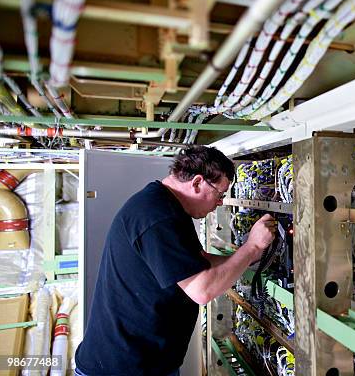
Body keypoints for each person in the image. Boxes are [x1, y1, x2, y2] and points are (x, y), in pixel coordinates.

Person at [75, 146, 275, 376]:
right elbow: (202, 290)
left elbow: (197, 261)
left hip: (147, 363)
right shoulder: (157, 216)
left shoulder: (165, 205)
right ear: (198, 183)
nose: (220, 203)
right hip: (123, 367)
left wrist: (248, 259)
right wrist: (251, 248)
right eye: (220, 194)